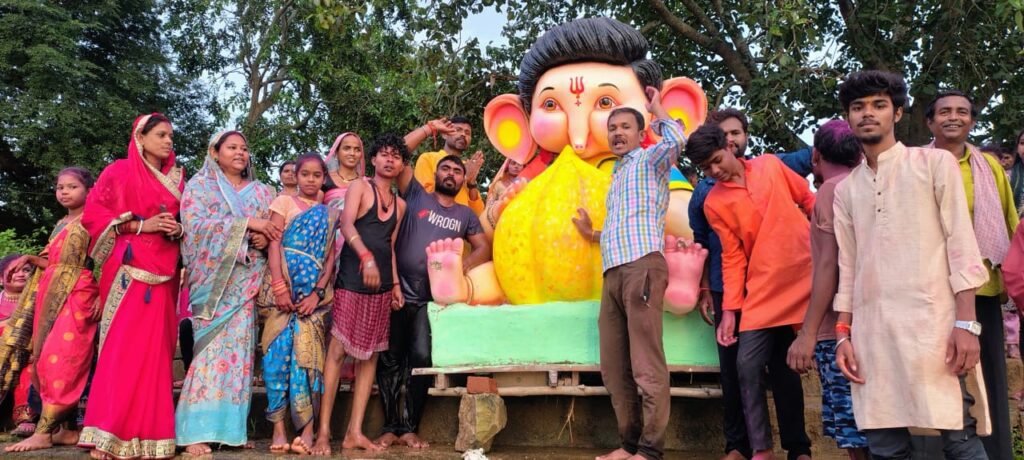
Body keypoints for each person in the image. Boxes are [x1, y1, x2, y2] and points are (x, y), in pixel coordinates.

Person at [832, 70, 990, 460]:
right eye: (858, 107)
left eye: (879, 105)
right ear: (849, 117)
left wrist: (966, 325)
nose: (868, 114)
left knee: (959, 436)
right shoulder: (846, 190)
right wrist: (843, 335)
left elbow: (961, 245)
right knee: (885, 445)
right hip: (872, 334)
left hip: (934, 327)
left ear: (898, 114)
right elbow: (848, 268)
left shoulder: (934, 164)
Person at [689, 107, 813, 460]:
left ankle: (799, 450)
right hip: (762, 290)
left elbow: (808, 200)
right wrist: (730, 312)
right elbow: (732, 257)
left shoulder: (771, 166)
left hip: (805, 278)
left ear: (729, 147)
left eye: (716, 161)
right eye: (706, 168)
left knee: (788, 369)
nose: (715, 171)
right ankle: (761, 449)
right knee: (745, 365)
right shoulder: (714, 202)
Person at [570, 86, 682, 460]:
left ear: (640, 132)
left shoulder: (651, 160)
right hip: (614, 273)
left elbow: (677, 139)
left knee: (646, 365)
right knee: (615, 367)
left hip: (642, 266)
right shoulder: (618, 174)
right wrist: (592, 234)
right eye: (612, 128)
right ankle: (629, 445)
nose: (617, 133)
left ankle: (649, 451)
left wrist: (657, 109)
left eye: (625, 127)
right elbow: (623, 226)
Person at [78, 113, 185, 460]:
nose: (168, 141)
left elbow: (188, 220)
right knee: (122, 350)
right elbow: (93, 216)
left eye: (170, 136)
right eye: (161, 135)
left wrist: (178, 229)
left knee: (156, 355)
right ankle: (108, 435)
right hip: (129, 271)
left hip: (165, 273)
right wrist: (142, 226)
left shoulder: (178, 178)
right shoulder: (119, 172)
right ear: (140, 137)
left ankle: (153, 438)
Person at [374, 154, 491, 449]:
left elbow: (483, 248)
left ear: (464, 179)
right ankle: (389, 427)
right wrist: (431, 131)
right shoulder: (416, 194)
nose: (451, 174)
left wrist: (460, 269)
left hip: (431, 302)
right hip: (397, 292)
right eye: (445, 169)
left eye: (457, 171)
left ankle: (410, 428)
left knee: (421, 359)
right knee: (389, 359)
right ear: (436, 174)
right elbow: (400, 152)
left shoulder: (465, 215)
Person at [925, 89, 1017, 460]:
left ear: (972, 121)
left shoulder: (989, 167)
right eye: (944, 111)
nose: (953, 117)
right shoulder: (916, 164)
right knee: (936, 375)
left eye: (962, 112)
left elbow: (1009, 222)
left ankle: (992, 453)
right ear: (930, 122)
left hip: (982, 288)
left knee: (988, 380)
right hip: (932, 289)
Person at [174, 131, 279, 455]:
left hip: (245, 284)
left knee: (239, 359)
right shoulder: (199, 188)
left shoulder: (263, 191)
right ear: (215, 152)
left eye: (244, 148)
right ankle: (194, 432)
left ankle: (230, 432)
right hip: (213, 288)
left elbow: (272, 228)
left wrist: (263, 237)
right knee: (208, 356)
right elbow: (195, 228)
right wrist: (248, 224)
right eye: (232, 147)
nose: (240, 153)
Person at [785, 121, 869, 460]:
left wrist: (807, 334)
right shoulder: (871, 183)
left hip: (836, 330)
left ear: (816, 156)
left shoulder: (830, 192)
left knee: (854, 430)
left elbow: (827, 267)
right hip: (872, 322)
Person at [318, 134, 407, 454]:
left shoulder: (400, 205)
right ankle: (323, 432)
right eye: (384, 154)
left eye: (396, 156)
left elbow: (390, 247)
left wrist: (395, 285)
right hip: (352, 279)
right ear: (373, 160)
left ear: (402, 165)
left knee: (370, 357)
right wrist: (366, 257)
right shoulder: (360, 187)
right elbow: (346, 225)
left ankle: (354, 432)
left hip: (381, 287)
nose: (389, 160)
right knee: (337, 351)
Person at [0, 168, 100, 452]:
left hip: (78, 293)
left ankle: (44, 432)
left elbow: (110, 256)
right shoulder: (61, 223)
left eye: (72, 187)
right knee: (43, 358)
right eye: (60, 187)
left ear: (89, 190)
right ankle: (66, 430)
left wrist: (104, 295)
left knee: (64, 358)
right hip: (51, 292)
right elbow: (55, 262)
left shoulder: (95, 219)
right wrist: (32, 258)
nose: (64, 192)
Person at [258, 154, 338, 455]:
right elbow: (274, 244)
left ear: (323, 178)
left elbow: (329, 257)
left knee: (309, 360)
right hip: (282, 295)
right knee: (276, 358)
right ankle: (278, 429)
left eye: (317, 175)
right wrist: (280, 287)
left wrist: (317, 292)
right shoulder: (283, 203)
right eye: (305, 174)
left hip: (312, 301)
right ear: (296, 176)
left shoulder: (328, 214)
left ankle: (307, 429)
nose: (310, 180)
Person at [405, 117, 485, 215]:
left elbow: (478, 214)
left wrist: (471, 183)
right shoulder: (428, 158)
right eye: (458, 130)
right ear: (445, 134)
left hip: (461, 224)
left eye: (467, 133)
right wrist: (463, 178)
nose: (463, 134)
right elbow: (424, 196)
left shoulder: (468, 167)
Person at [0, 254, 37, 437]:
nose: (21, 274)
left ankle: (25, 419)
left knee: (29, 370)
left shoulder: (37, 302)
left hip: (27, 357)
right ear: (1, 279)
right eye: (14, 271)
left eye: (26, 270)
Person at [323, 133, 366, 210]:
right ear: (336, 153)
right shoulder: (323, 180)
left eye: (357, 150)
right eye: (346, 148)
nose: (352, 153)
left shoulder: (367, 183)